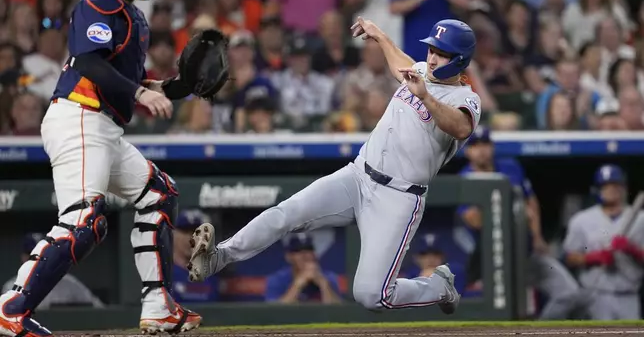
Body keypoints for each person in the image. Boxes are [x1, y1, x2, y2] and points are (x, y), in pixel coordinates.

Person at [187, 16, 481, 314]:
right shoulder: (420, 71)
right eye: (431, 49)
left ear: (459, 60)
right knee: (286, 213)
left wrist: (426, 97)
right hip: (357, 176)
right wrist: (380, 36)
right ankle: (217, 257)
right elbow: (401, 63)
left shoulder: (465, 98)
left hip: (399, 196)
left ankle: (439, 287)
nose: (432, 57)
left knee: (372, 295)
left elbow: (459, 127)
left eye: (441, 53)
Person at [0, 0, 201, 336]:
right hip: (79, 115)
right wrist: (143, 95)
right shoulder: (99, 0)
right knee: (83, 222)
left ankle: (159, 307)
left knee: (160, 195)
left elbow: (131, 83)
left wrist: (179, 87)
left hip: (102, 125)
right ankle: (11, 308)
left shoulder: (130, 13)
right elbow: (88, 61)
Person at [458, 126, 581, 319]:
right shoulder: (464, 178)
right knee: (507, 314)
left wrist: (537, 235)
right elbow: (473, 219)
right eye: (475, 145)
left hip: (527, 252)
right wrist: (515, 212)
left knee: (569, 292)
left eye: (485, 144)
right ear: (467, 150)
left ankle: (540, 332)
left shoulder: (510, 167)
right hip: (494, 261)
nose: (481, 149)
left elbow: (530, 202)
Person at [562, 165, 644, 320]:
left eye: (615, 185)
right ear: (597, 190)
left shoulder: (640, 219)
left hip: (629, 295)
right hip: (595, 295)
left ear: (624, 188)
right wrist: (593, 257)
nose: (610, 190)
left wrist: (632, 250)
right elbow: (569, 258)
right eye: (605, 186)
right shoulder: (581, 220)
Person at [1, 234, 104, 310]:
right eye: (31, 253)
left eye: (42, 253)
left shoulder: (69, 283)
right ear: (23, 257)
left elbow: (99, 309)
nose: (37, 257)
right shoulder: (10, 287)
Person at [264, 233, 342, 304]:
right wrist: (297, 285)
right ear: (289, 257)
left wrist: (323, 285)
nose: (305, 255)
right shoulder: (277, 279)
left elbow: (338, 313)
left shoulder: (328, 277)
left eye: (308, 249)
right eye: (298, 251)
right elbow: (274, 312)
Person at [172, 210, 219, 304]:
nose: (191, 239)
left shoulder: (211, 275)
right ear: (173, 234)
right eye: (185, 232)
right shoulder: (162, 272)